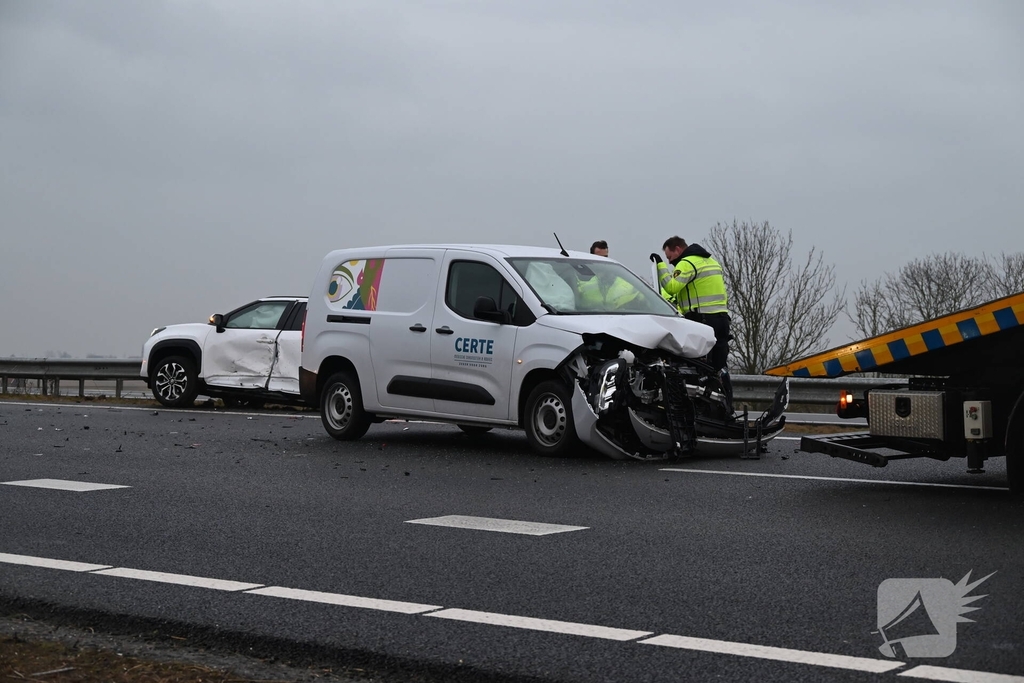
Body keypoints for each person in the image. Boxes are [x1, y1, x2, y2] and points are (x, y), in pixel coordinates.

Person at [650, 236, 734, 412]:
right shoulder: (711, 261)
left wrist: (660, 267)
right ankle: (727, 408)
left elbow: (672, 287)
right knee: (718, 367)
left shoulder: (687, 263)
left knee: (697, 367)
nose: (670, 262)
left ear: (678, 250)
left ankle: (699, 409)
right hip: (721, 320)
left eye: (669, 257)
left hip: (702, 321)